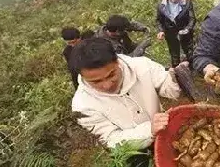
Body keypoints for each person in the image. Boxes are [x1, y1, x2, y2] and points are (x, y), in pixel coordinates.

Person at [70, 37, 184, 167]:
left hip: (164, 130)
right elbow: (111, 140)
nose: (107, 85)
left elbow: (167, 86)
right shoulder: (83, 106)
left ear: (117, 61)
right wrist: (149, 130)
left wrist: (176, 78)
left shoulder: (141, 66)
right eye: (96, 81)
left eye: (111, 75)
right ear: (82, 76)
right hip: (131, 150)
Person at [156, 0, 197, 68]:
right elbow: (159, 20)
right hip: (170, 34)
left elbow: (192, 19)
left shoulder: (187, 3)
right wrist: (161, 31)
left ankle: (193, 70)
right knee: (174, 56)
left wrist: (187, 29)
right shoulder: (161, 6)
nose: (173, 0)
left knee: (189, 54)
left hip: (185, 33)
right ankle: (176, 74)